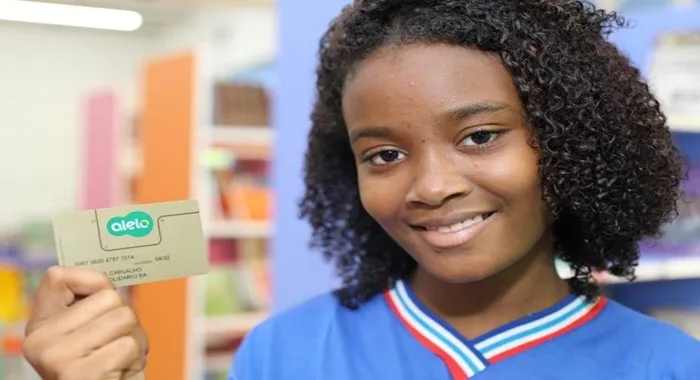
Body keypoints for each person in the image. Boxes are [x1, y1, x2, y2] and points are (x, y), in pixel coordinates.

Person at [22, 0, 700, 379]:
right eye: (384, 153)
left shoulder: (667, 366)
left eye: (480, 136)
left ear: (571, 142)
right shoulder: (283, 352)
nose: (430, 186)